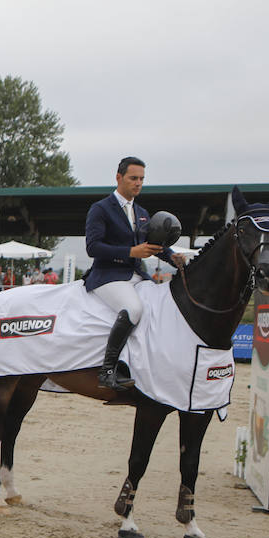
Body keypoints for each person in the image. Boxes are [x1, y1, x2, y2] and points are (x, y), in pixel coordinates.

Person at [84, 156, 186, 391]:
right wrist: (131, 252)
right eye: (133, 178)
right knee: (134, 309)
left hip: (137, 275)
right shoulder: (100, 209)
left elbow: (153, 244)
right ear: (118, 177)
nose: (138, 183)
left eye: (141, 179)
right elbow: (93, 247)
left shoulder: (141, 212)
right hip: (108, 275)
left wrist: (173, 257)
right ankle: (108, 370)